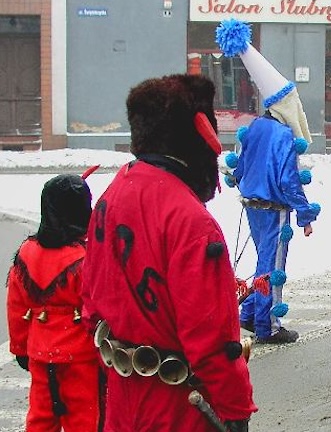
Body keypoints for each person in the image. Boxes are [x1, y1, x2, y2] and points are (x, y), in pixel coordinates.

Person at [82, 74, 256, 431]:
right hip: (180, 411)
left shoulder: (112, 196)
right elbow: (211, 343)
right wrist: (235, 409)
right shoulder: (191, 221)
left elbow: (91, 305)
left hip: (123, 398)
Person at [216, 18, 320, 345]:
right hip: (274, 208)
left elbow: (240, 169)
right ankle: (268, 324)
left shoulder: (257, 127)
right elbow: (289, 180)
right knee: (272, 264)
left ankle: (249, 313)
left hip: (252, 206)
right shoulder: (284, 135)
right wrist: (305, 214)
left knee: (261, 259)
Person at [6, 172, 101, 432]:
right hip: (81, 355)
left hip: (39, 350)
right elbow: (98, 309)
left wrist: (20, 348)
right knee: (84, 418)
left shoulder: (26, 254)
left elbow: (17, 306)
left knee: (41, 416)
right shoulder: (86, 259)